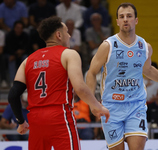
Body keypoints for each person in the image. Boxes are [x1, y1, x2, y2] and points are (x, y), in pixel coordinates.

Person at [7, 16, 109, 150]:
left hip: (36, 119)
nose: (69, 35)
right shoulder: (69, 54)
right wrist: (97, 106)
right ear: (59, 35)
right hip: (60, 116)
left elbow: (13, 95)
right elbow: (79, 87)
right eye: (67, 31)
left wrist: (21, 122)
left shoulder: (28, 60)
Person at [86, 3, 158, 150]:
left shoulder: (145, 46)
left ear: (136, 20)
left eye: (129, 16)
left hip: (136, 105)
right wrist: (92, 103)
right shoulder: (108, 45)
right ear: (117, 22)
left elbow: (148, 70)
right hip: (111, 107)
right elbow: (91, 72)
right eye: (122, 17)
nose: (125, 19)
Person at [4, 20, 29, 85]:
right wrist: (15, 54)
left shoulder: (25, 36)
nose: (19, 30)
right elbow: (7, 48)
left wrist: (21, 51)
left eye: (21, 28)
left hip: (22, 54)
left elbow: (27, 47)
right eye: (17, 28)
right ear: (14, 28)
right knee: (11, 59)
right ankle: (13, 81)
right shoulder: (9, 35)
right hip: (10, 54)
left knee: (26, 59)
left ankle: (26, 81)